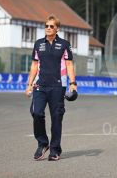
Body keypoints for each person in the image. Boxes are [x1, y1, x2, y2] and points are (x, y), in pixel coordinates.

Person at [25, 15, 77, 161]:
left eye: (51, 26)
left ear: (57, 29)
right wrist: (29, 85)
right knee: (36, 113)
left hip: (58, 86)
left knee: (56, 118)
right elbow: (34, 65)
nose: (48, 28)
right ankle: (42, 143)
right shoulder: (38, 44)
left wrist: (73, 83)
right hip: (40, 86)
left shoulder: (64, 44)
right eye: (46, 26)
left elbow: (69, 65)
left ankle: (55, 150)